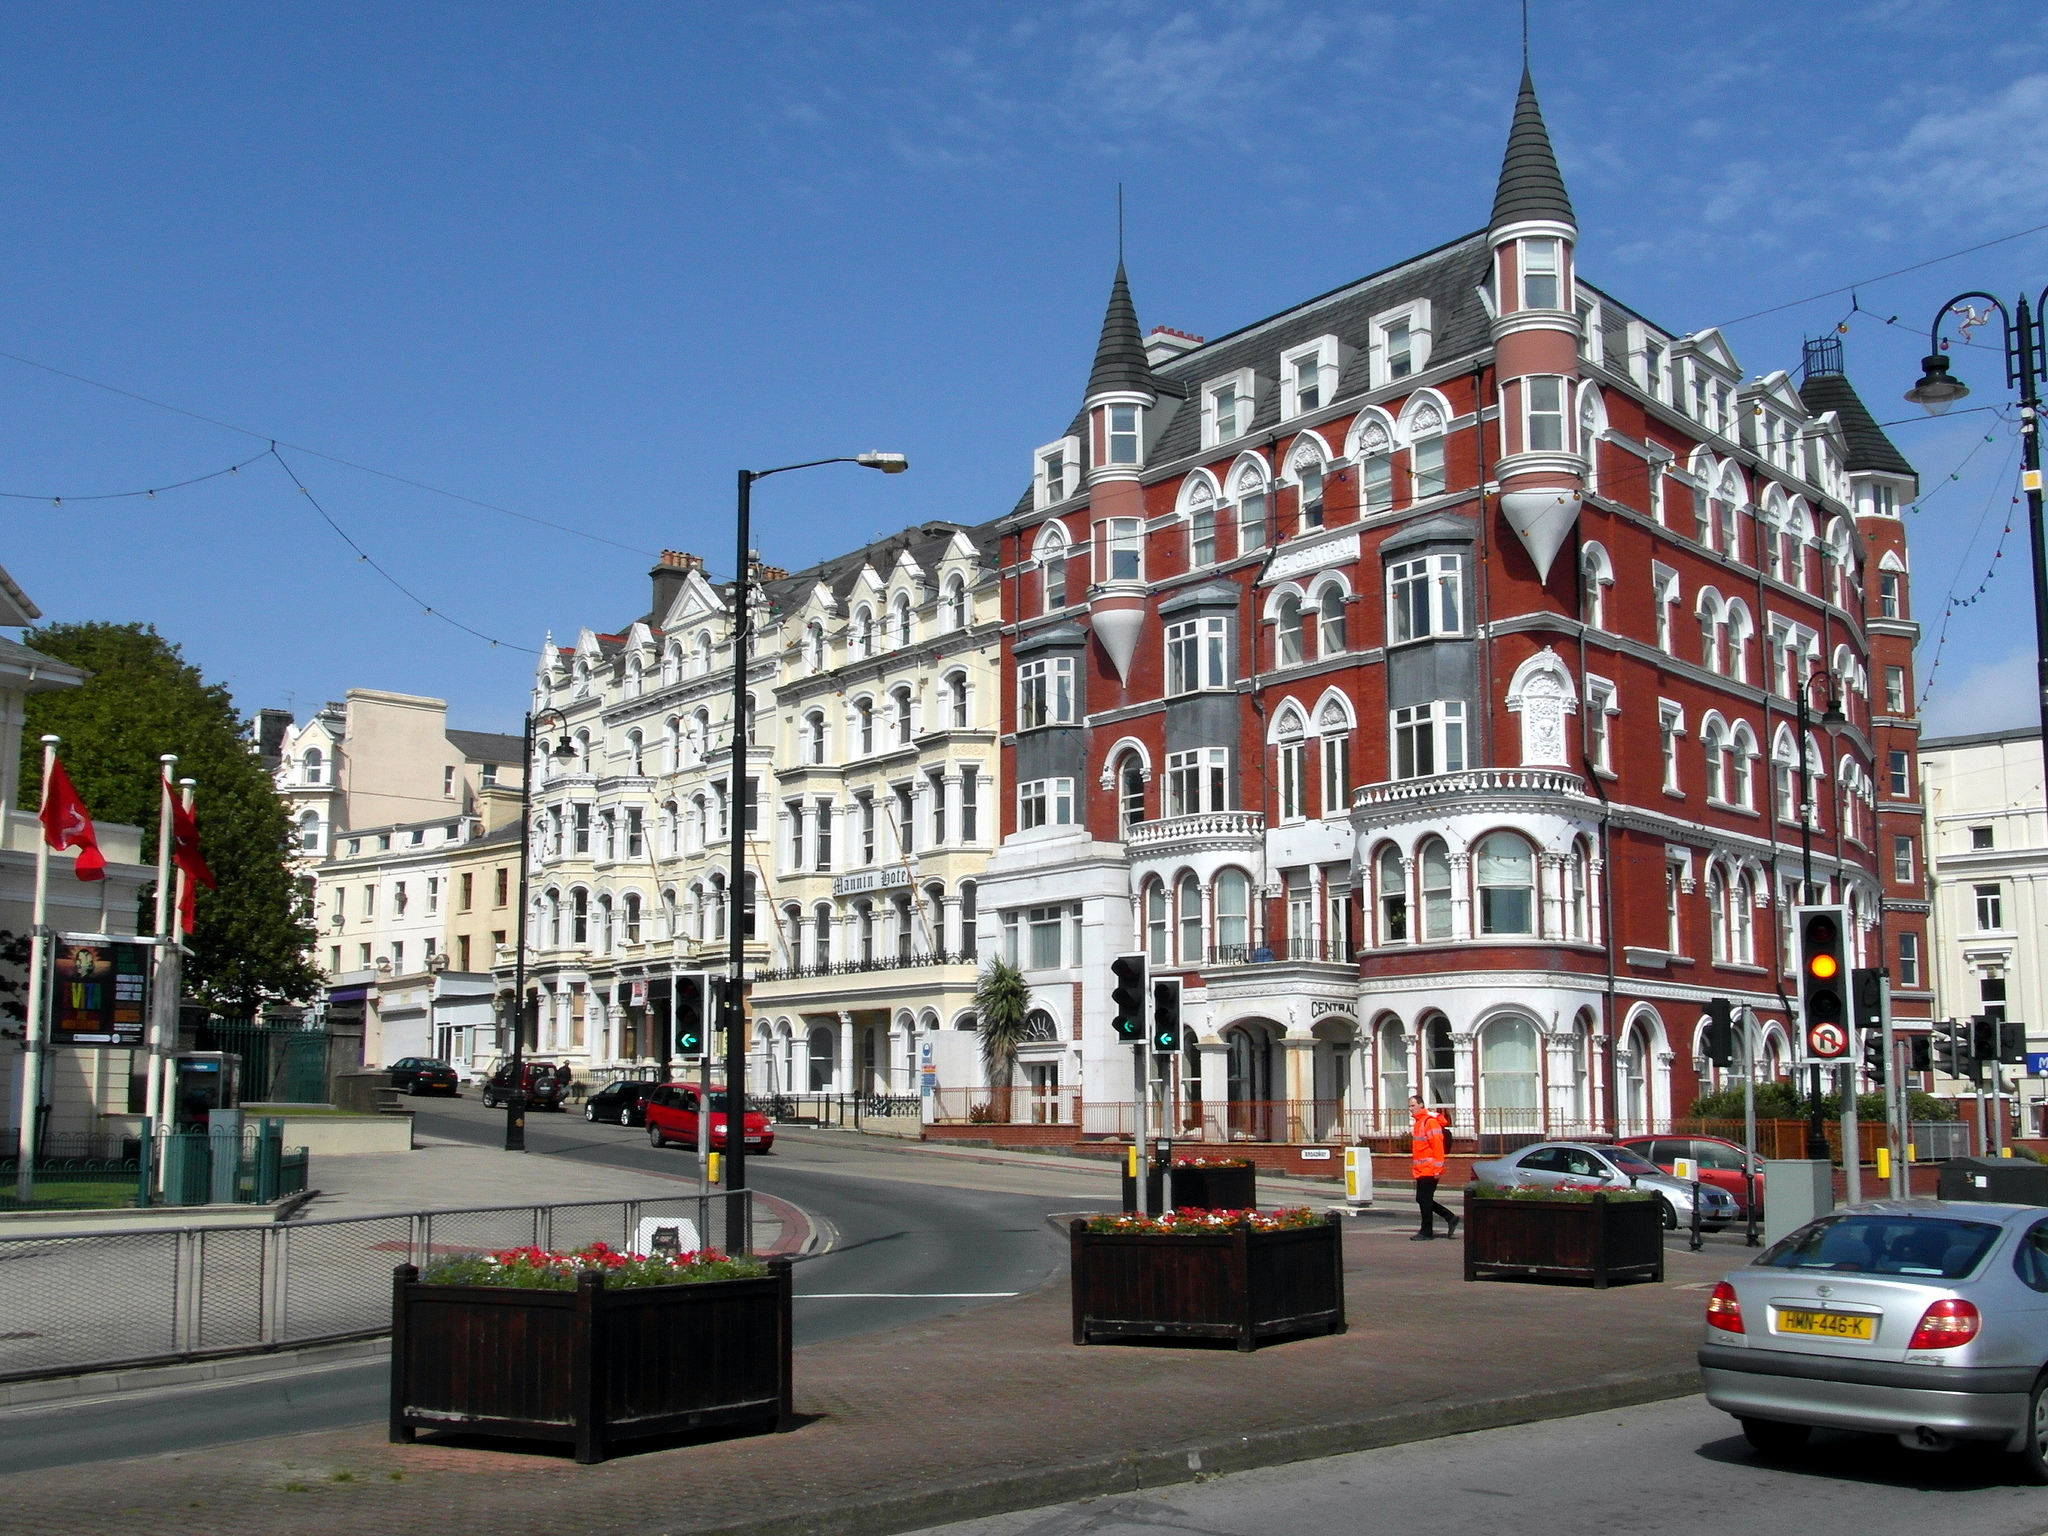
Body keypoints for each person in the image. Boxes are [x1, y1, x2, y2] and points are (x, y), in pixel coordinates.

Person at [1409, 1094, 1458, 1241]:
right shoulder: (1419, 1123)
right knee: (1422, 1199)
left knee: (1424, 1199)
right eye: (1409, 1106)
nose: (1410, 1109)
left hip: (1429, 1169)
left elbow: (1437, 1147)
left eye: (1413, 1105)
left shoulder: (1429, 1122)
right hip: (1422, 1169)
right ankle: (1450, 1217)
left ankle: (1426, 1231)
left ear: (1421, 1105)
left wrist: (1437, 1169)